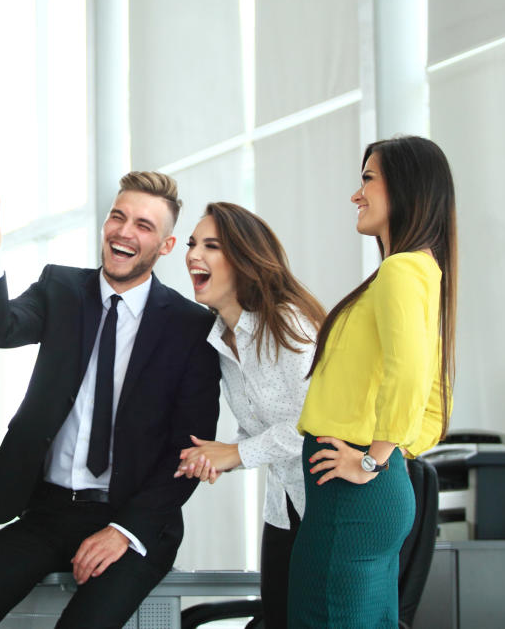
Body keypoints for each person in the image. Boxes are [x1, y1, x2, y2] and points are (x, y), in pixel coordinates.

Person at [0, 171, 221, 628]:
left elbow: (190, 449)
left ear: (166, 246)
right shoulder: (61, 289)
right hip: (49, 511)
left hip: (132, 520)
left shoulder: (191, 327)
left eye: (143, 225)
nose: (124, 231)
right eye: (118, 217)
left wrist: (123, 531)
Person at [287, 135, 457, 627]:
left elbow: (409, 373)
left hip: (353, 495)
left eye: (367, 179)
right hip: (371, 493)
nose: (356, 195)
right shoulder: (422, 269)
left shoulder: (402, 271)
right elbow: (434, 391)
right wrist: (393, 458)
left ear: (404, 187)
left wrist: (372, 460)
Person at [175, 202, 325, 628]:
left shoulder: (288, 323)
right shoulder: (221, 339)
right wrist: (217, 457)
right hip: (283, 505)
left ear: (242, 258)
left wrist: (235, 454)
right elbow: (258, 427)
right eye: (191, 244)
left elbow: (311, 423)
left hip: (327, 504)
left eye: (211, 246)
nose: (192, 255)